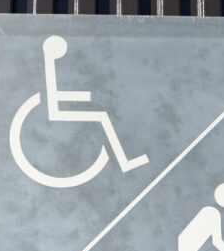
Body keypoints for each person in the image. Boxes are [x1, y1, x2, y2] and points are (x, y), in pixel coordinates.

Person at [42, 35, 148, 172]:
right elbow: (55, 94)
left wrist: (82, 95)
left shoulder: (52, 63)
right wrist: (82, 95)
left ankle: (123, 161)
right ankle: (123, 162)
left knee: (101, 116)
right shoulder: (50, 64)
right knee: (101, 117)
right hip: (58, 109)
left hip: (59, 105)